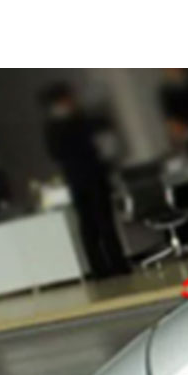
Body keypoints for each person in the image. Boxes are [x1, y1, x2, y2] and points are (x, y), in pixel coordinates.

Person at [40, 83, 129, 279]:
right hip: (86, 178)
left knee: (98, 223)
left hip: (84, 178)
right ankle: (107, 266)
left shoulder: (73, 122)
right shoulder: (64, 125)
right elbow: (65, 151)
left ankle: (109, 265)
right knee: (94, 224)